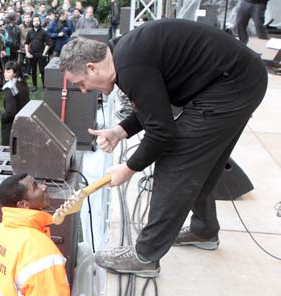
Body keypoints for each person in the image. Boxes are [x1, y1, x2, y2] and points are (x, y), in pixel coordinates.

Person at [59, 19, 268, 277]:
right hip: (239, 80)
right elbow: (155, 105)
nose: (83, 90)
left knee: (175, 162)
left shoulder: (129, 66)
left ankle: (145, 256)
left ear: (92, 68)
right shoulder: (124, 54)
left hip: (232, 86)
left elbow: (162, 133)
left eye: (80, 83)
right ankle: (204, 230)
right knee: (202, 164)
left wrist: (129, 167)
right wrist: (120, 130)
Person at [1, 61, 30, 146]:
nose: (5, 74)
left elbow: (10, 112)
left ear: (15, 73)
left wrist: (3, 116)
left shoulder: (9, 88)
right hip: (22, 121)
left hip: (11, 125)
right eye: (5, 71)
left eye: (8, 71)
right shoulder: (23, 84)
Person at [25, 16, 50, 91]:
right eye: (34, 21)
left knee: (42, 70)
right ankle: (34, 85)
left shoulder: (43, 32)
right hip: (32, 54)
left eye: (37, 21)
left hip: (41, 54)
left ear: (39, 22)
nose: (36, 22)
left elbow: (48, 43)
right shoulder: (30, 32)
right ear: (32, 23)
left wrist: (44, 53)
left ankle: (44, 86)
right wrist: (27, 52)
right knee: (33, 70)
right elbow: (26, 43)